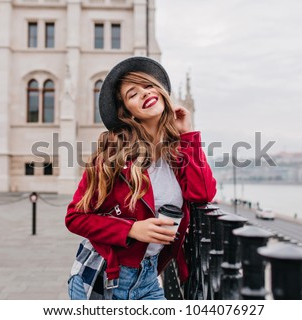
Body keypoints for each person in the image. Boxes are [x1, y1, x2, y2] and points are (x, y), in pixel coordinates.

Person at [65, 56, 217, 300]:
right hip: (104, 277)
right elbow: (75, 218)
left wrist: (188, 135)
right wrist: (131, 229)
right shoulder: (112, 156)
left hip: (148, 278)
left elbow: (203, 194)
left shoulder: (176, 154)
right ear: (128, 112)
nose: (145, 93)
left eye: (148, 85)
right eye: (133, 93)